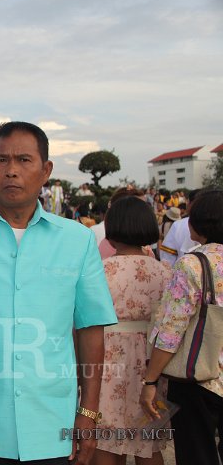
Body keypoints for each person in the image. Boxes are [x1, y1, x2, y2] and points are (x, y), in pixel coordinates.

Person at [0, 122, 117, 464]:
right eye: (2, 160)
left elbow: (91, 329)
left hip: (51, 426)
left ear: (46, 170)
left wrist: (88, 413)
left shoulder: (77, 241)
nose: (12, 171)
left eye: (24, 160)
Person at [141, 189, 223, 465]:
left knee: (197, 454)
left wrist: (151, 379)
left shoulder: (193, 265)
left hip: (200, 379)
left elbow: (171, 330)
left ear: (196, 224)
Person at [94, 197, 173, 465]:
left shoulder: (100, 271)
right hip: (152, 362)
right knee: (148, 443)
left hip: (107, 361)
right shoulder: (164, 271)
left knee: (106, 441)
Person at [159, 189, 200, 266]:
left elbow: (167, 258)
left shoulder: (179, 224)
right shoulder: (179, 224)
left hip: (183, 274)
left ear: (188, 203)